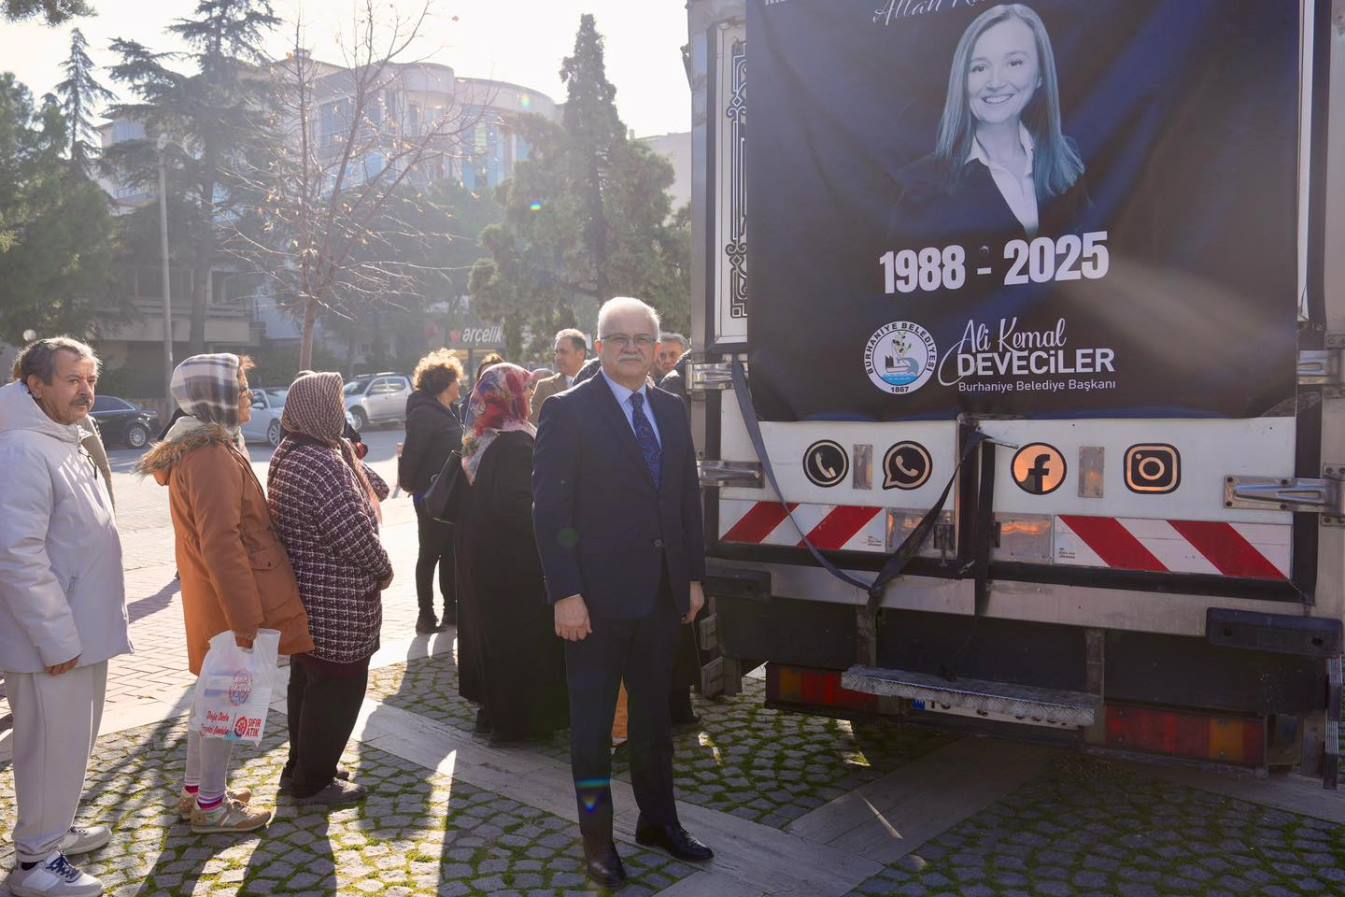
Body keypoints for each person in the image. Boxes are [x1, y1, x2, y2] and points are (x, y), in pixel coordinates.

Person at [533, 296, 714, 889]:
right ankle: (597, 845)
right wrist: (565, 593)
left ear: (657, 346)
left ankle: (659, 823)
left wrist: (691, 577)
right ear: (601, 345)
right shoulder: (568, 411)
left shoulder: (669, 406)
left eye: (642, 337)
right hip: (593, 606)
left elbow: (684, 499)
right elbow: (549, 511)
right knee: (590, 734)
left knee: (655, 726)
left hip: (661, 599)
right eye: (619, 338)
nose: (632, 347)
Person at [136, 353, 313, 835]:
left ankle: (197, 792)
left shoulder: (207, 446)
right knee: (225, 705)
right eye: (239, 386)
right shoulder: (211, 453)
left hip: (215, 600)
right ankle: (212, 807)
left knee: (210, 700)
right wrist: (245, 620)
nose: (248, 394)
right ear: (215, 397)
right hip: (228, 604)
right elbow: (222, 542)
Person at [0, 338, 131, 897]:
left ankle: (50, 832)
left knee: (69, 744)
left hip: (80, 631)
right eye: (72, 379)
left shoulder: (62, 438)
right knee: (50, 745)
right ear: (36, 384)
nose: (86, 390)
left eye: (89, 378)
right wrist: (56, 640)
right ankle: (35, 864)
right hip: (53, 641)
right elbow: (17, 553)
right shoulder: (25, 449)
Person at [268, 372, 393, 807]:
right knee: (337, 690)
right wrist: (384, 567)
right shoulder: (320, 463)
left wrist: (346, 449)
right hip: (336, 600)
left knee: (307, 684)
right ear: (320, 409)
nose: (342, 413)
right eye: (336, 406)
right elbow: (355, 535)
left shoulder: (296, 450)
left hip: (308, 596)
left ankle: (303, 765)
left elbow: (379, 488)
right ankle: (314, 781)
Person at [891, 3, 1087, 248]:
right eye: (979, 67)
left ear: (1040, 75)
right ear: (962, 80)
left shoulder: (1067, 159)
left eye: (1014, 63)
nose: (995, 82)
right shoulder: (921, 186)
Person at [455, 364, 569, 742]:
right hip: (514, 562)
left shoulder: (478, 437)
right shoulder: (517, 442)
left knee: (491, 638)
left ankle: (491, 712)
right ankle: (519, 725)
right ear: (513, 395)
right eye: (527, 389)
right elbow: (520, 508)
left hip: (479, 557)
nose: (532, 396)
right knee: (520, 641)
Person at [397, 350, 465, 634]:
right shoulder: (425, 412)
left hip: (450, 492)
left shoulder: (450, 410)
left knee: (450, 552)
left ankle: (452, 610)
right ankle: (426, 615)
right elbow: (413, 454)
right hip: (430, 493)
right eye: (456, 380)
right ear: (443, 383)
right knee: (430, 553)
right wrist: (414, 488)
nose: (460, 385)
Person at [528, 329, 589, 424]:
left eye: (563, 352)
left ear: (580, 354)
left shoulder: (599, 383)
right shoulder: (544, 387)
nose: (558, 357)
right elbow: (533, 424)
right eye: (556, 352)